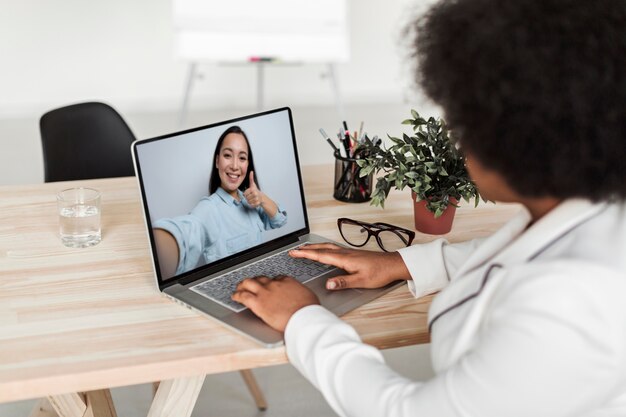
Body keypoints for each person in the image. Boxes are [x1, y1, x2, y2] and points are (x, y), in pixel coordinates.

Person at [232, 0, 626, 415]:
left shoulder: (571, 305)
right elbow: (523, 255)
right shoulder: (594, 211)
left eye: (462, 123)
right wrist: (400, 264)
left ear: (517, 137)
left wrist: (303, 319)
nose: (457, 141)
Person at [153, 126, 287, 278]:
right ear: (217, 161)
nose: (235, 166)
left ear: (247, 164)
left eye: (242, 158)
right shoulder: (209, 209)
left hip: (264, 281)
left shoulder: (251, 201)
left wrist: (261, 198)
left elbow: (280, 220)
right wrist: (159, 244)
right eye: (228, 155)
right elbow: (188, 231)